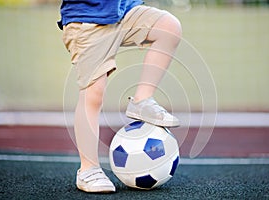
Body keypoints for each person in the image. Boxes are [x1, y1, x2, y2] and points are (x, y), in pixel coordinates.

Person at [58, 0, 182, 193]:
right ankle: (88, 169)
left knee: (169, 27)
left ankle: (142, 100)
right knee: (94, 93)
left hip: (123, 11)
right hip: (86, 19)